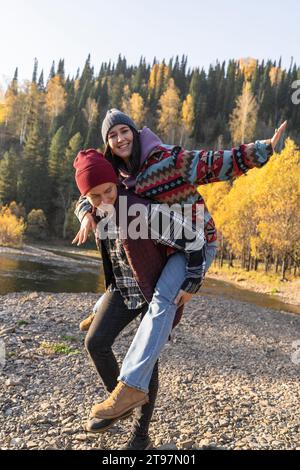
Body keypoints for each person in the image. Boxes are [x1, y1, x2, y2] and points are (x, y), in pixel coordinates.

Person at [72, 111, 286, 424]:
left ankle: (131, 386)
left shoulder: (166, 159)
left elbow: (213, 162)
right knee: (133, 278)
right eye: (112, 135)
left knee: (162, 302)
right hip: (169, 245)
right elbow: (91, 190)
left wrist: (260, 150)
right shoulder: (117, 175)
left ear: (134, 130)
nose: (120, 139)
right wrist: (86, 213)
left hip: (196, 242)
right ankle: (104, 307)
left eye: (124, 131)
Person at [73, 149, 206, 450]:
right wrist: (84, 214)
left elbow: (193, 239)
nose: (104, 199)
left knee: (147, 361)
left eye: (109, 190)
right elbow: (82, 197)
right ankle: (120, 401)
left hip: (150, 288)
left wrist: (193, 279)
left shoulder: (139, 211)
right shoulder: (94, 205)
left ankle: (140, 435)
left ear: (117, 184)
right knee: (95, 343)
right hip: (120, 289)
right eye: (95, 196)